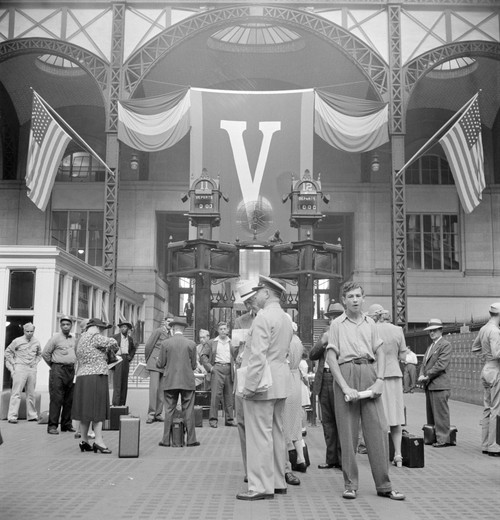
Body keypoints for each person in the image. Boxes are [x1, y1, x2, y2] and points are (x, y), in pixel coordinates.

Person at [325, 281, 405, 501]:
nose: (355, 300)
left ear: (363, 298)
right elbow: (331, 358)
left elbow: (380, 351)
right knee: (348, 434)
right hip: (346, 372)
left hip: (369, 372)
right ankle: (350, 485)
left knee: (378, 430)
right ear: (344, 300)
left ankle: (385, 486)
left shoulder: (371, 323)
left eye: (358, 296)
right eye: (350, 296)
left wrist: (380, 379)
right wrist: (344, 387)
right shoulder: (337, 325)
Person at [236, 275, 293, 501]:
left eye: (259, 291)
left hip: (262, 384)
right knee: (277, 434)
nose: (256, 295)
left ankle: (259, 486)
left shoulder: (262, 318)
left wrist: (248, 388)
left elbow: (258, 357)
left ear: (267, 293)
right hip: (280, 382)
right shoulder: (285, 317)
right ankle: (278, 481)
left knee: (259, 436)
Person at [368, 303, 407, 468]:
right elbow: (404, 356)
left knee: (379, 417)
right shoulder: (398, 331)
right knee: (396, 417)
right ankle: (398, 454)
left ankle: (381, 455)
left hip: (377, 376)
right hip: (395, 375)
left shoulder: (372, 330)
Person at [71, 318, 118, 454]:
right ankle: (98, 441)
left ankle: (84, 440)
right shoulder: (95, 337)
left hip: (82, 376)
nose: (103, 331)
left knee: (86, 410)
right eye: (102, 328)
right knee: (98, 410)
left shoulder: (80, 339)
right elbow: (113, 343)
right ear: (97, 327)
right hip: (96, 375)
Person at [309, 301, 344, 470]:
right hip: (325, 379)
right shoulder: (325, 333)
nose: (333, 320)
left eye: (336, 317)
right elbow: (312, 355)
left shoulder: (348, 332)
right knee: (327, 421)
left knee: (342, 420)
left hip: (341, 380)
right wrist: (323, 341)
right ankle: (331, 459)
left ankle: (343, 459)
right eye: (331, 317)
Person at [157, 317, 199, 447]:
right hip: (187, 381)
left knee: (169, 410)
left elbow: (160, 363)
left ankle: (165, 440)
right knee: (189, 410)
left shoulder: (165, 343)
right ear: (184, 329)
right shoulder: (191, 344)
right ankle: (191, 440)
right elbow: (193, 365)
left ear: (173, 329)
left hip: (170, 381)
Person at [233, 280, 258, 483]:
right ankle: (249, 469)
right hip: (243, 375)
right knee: (242, 422)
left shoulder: (274, 318)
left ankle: (274, 468)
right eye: (247, 302)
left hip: (263, 377)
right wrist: (239, 347)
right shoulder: (240, 321)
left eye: (252, 300)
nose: (250, 305)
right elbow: (233, 352)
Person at [418, 318, 452, 448]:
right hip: (431, 384)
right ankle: (433, 436)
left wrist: (426, 375)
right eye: (430, 331)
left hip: (439, 384)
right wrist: (422, 373)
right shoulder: (431, 345)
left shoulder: (445, 344)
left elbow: (441, 365)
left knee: (441, 414)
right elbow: (424, 363)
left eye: (434, 330)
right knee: (432, 413)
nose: (431, 333)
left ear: (440, 330)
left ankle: (443, 439)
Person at [471, 303, 500, 456]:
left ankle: (484, 444)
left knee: (487, 408)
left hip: (486, 369)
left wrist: (485, 357)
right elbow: (497, 353)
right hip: (496, 370)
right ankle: (493, 446)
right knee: (496, 408)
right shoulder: (495, 331)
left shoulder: (483, 329)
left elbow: (474, 348)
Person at [42, 316, 77, 434]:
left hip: (71, 370)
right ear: (60, 326)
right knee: (56, 398)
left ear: (71, 326)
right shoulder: (55, 338)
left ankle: (66, 424)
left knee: (69, 399)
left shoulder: (74, 339)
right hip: (58, 369)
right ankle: (52, 426)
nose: (66, 326)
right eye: (63, 324)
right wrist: (53, 365)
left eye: (68, 324)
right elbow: (45, 353)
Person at [200, 321, 237, 428]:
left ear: (228, 330)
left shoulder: (232, 342)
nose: (223, 331)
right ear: (218, 330)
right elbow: (203, 356)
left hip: (229, 370)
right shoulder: (212, 342)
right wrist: (210, 368)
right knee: (215, 395)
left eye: (225, 329)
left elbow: (237, 354)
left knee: (229, 396)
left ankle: (229, 419)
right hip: (217, 369)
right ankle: (213, 419)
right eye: (221, 329)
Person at [283, 316, 306, 485]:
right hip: (296, 378)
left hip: (286, 380)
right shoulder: (298, 341)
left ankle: (287, 463)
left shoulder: (286, 342)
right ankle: (300, 458)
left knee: (284, 422)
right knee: (295, 421)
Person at [5, 323, 42, 424]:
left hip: (31, 368)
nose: (29, 333)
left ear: (34, 331)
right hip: (20, 367)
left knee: (31, 393)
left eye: (31, 331)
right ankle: (12, 416)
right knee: (16, 392)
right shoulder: (17, 341)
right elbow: (7, 352)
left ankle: (32, 415)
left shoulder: (36, 342)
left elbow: (39, 354)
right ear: (24, 331)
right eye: (27, 331)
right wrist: (14, 363)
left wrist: (36, 362)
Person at [144, 313, 173, 423]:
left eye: (172, 322)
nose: (170, 323)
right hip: (155, 363)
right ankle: (151, 414)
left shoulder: (171, 334)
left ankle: (158, 413)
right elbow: (148, 346)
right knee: (154, 389)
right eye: (168, 321)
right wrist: (148, 360)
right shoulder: (158, 331)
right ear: (165, 322)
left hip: (164, 365)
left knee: (162, 390)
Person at [111, 320, 136, 406]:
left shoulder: (130, 339)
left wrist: (130, 356)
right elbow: (109, 349)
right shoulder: (115, 337)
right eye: (121, 327)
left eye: (125, 327)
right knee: (117, 382)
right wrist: (113, 357)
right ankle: (115, 404)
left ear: (128, 329)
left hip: (126, 359)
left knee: (124, 383)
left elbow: (133, 348)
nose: (123, 329)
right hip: (118, 359)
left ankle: (122, 404)